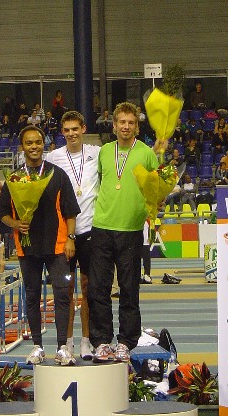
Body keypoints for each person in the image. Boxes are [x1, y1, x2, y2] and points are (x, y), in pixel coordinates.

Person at [0, 125, 80, 366]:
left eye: (38, 142)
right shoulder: (13, 178)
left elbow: (70, 212)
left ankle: (62, 347)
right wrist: (16, 223)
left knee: (62, 295)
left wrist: (70, 238)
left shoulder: (57, 174)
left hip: (57, 245)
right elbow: (3, 214)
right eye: (29, 143)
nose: (34, 147)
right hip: (27, 247)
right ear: (22, 146)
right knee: (32, 296)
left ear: (43, 145)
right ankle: (37, 346)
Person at [87, 101, 160, 363]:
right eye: (122, 122)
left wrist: (152, 210)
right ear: (114, 125)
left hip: (130, 228)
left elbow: (156, 190)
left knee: (129, 289)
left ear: (136, 127)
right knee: (98, 288)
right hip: (103, 226)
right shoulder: (104, 152)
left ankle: (126, 342)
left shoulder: (147, 153)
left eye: (131, 123)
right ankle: (102, 340)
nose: (126, 127)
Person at [47, 110, 100, 360]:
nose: (71, 134)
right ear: (62, 132)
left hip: (90, 231)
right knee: (65, 290)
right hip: (64, 234)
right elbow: (32, 181)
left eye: (75, 129)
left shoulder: (97, 153)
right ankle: (66, 342)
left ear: (83, 128)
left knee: (89, 289)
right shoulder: (53, 157)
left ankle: (86, 341)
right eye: (66, 130)